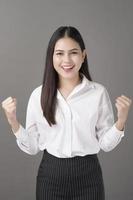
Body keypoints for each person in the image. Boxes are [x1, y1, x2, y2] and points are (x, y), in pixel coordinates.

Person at [1, 26, 132, 200]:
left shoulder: (98, 93)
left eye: (73, 53)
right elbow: (32, 147)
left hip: (89, 177)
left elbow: (105, 144)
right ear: (51, 57)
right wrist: (13, 122)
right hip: (50, 177)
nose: (67, 60)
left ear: (83, 55)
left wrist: (121, 121)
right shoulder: (38, 95)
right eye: (60, 53)